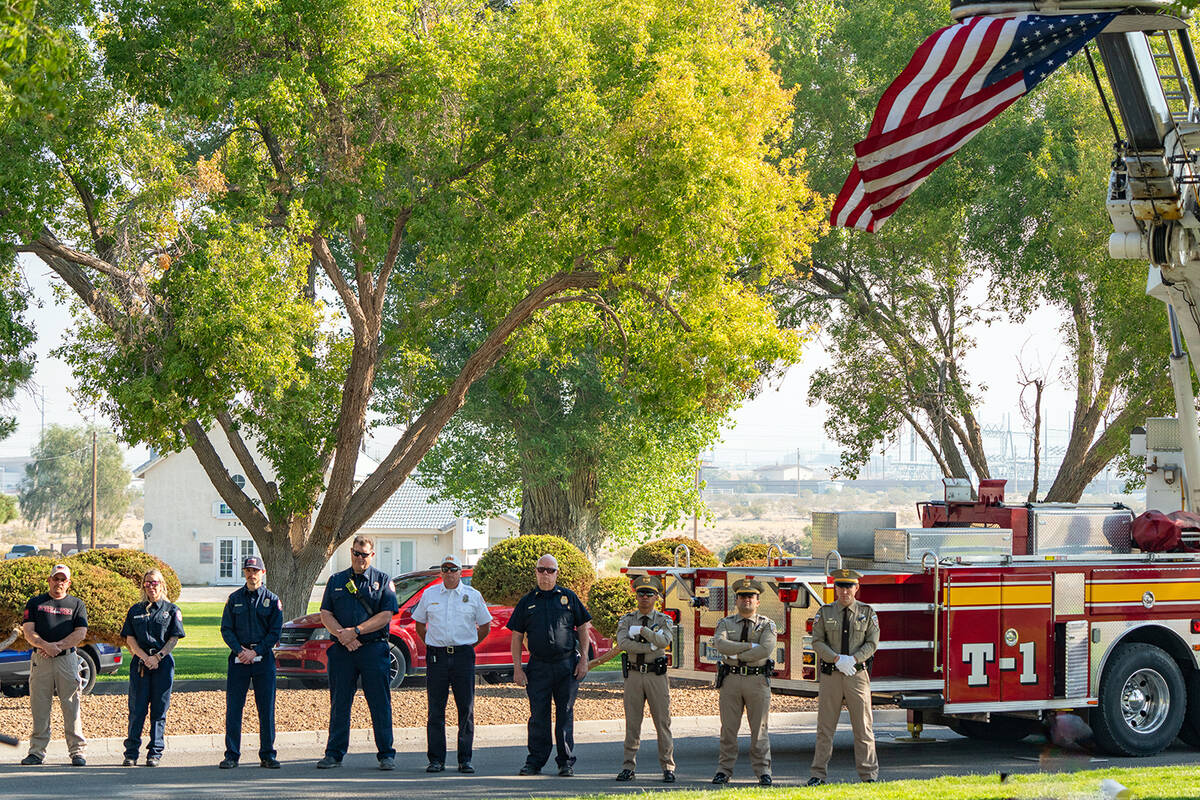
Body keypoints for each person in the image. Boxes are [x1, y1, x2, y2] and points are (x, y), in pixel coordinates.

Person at [316, 534, 400, 770]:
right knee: (339, 702)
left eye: (364, 554)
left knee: (379, 702)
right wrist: (344, 636)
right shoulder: (336, 580)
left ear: (371, 555)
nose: (359, 558)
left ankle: (386, 754)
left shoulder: (382, 581)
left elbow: (385, 615)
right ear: (351, 552)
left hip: (373, 649)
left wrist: (356, 631)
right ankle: (334, 753)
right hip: (343, 650)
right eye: (355, 553)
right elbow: (325, 614)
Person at [507, 553, 592, 777]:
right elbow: (516, 636)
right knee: (538, 716)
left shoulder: (568, 597)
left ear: (557, 573)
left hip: (566, 665)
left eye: (550, 570)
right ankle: (535, 762)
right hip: (539, 667)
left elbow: (583, 628)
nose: (546, 574)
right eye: (542, 569)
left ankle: (565, 762)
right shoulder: (527, 601)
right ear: (536, 572)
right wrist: (517, 667)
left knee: (565, 714)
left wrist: (584, 659)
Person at [411, 553, 493, 774]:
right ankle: (436, 759)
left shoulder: (472, 595)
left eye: (453, 569)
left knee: (465, 708)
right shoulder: (429, 594)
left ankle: (465, 759)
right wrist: (431, 642)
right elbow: (420, 624)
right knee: (436, 709)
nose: (449, 573)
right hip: (437, 656)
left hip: (463, 655)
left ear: (460, 572)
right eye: (445, 569)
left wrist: (470, 645)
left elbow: (485, 626)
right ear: (441, 572)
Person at [807, 568, 879, 786]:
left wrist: (854, 659)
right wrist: (837, 659)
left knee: (863, 727)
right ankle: (818, 775)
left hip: (856, 676)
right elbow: (817, 641)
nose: (845, 590)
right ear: (835, 588)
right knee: (825, 729)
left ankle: (869, 775)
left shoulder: (867, 613)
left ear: (857, 588)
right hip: (832, 675)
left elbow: (872, 643)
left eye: (849, 586)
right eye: (841, 586)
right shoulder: (825, 612)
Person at [219, 555, 284, 769]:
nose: (251, 574)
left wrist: (255, 651)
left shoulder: (272, 600)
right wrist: (240, 651)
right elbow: (226, 629)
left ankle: (267, 755)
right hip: (239, 660)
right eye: (248, 570)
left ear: (262, 573)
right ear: (244, 573)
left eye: (255, 571)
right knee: (234, 709)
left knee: (266, 709)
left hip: (263, 660)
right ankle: (231, 755)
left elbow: (275, 632)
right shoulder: (234, 598)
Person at [20, 563, 88, 766]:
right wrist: (44, 645)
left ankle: (77, 752)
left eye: (63, 579)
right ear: (49, 580)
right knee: (39, 706)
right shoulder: (35, 603)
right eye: (55, 578)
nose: (59, 582)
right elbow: (28, 630)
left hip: (67, 659)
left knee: (71, 705)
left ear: (68, 583)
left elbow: (80, 633)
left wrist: (57, 647)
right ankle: (36, 752)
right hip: (41, 660)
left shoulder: (77, 604)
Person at [712, 577, 776, 786]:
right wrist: (750, 647)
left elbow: (766, 649)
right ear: (736, 600)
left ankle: (763, 772)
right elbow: (720, 644)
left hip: (757, 681)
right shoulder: (725, 623)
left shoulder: (767, 625)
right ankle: (724, 771)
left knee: (759, 729)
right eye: (742, 596)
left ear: (758, 601)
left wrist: (736, 654)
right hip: (730, 680)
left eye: (751, 597)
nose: (746, 600)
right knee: (728, 729)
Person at [121, 568, 186, 767]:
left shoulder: (171, 610)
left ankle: (155, 753)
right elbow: (130, 638)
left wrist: (157, 657)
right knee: (137, 710)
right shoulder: (135, 610)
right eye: (147, 583)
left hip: (163, 664)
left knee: (159, 710)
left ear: (162, 585)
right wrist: (144, 657)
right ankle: (131, 753)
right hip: (140, 664)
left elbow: (174, 638)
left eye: (155, 582)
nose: (151, 586)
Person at [615, 575, 675, 783]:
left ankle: (668, 767)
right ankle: (628, 766)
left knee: (662, 722)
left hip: (655, 676)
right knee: (632, 723)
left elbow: (664, 641)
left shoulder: (663, 620)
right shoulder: (627, 619)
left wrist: (643, 631)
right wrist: (650, 645)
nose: (644, 597)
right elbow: (623, 643)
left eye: (649, 593)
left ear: (657, 597)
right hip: (633, 675)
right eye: (641, 593)